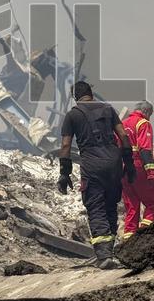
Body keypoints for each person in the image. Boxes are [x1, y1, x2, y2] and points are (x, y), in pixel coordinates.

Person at [57, 81, 136, 268]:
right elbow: (124, 136)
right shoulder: (108, 109)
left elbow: (66, 145)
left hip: (92, 166)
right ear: (91, 93)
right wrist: (129, 163)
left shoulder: (72, 115)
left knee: (96, 207)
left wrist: (64, 173)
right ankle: (109, 251)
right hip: (114, 163)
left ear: (75, 97)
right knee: (110, 207)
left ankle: (104, 255)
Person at [120, 100, 154, 238]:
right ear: (146, 111)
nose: (149, 117)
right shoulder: (143, 123)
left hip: (122, 169)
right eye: (150, 114)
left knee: (132, 207)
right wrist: (151, 172)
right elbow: (145, 149)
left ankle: (128, 239)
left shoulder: (122, 124)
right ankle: (145, 236)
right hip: (137, 167)